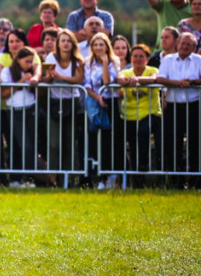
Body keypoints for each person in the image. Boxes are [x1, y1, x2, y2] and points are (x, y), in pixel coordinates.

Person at [154, 31, 201, 187]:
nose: (185, 46)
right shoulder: (168, 59)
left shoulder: (198, 60)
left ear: (194, 47)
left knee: (196, 143)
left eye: (189, 44)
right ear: (177, 44)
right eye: (183, 43)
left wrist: (192, 82)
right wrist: (178, 83)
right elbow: (160, 78)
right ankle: (176, 181)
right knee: (173, 143)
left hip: (194, 105)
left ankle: (195, 180)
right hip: (173, 107)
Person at [116, 44, 162, 188]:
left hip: (149, 114)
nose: (137, 59)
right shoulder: (127, 71)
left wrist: (138, 80)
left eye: (141, 56)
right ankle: (136, 180)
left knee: (143, 134)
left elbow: (154, 79)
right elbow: (120, 78)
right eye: (135, 56)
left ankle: (144, 168)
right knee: (131, 146)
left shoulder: (153, 69)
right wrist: (128, 81)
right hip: (129, 115)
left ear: (147, 59)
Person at [43, 28, 85, 183]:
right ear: (58, 44)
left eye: (69, 41)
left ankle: (69, 177)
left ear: (73, 44)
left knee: (69, 142)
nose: (66, 44)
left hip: (72, 103)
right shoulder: (51, 58)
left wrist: (59, 77)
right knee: (54, 143)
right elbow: (47, 80)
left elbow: (79, 80)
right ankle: (52, 177)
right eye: (63, 41)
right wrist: (49, 77)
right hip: (55, 102)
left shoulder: (78, 61)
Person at [83, 33, 121, 189]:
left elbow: (107, 81)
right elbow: (87, 85)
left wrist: (105, 62)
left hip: (110, 103)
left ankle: (111, 176)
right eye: (95, 45)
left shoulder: (114, 62)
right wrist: (97, 97)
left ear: (107, 46)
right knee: (94, 140)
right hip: (95, 102)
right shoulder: (88, 63)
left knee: (110, 140)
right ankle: (99, 178)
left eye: (101, 44)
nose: (98, 48)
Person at [0, 47, 39, 187]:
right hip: (14, 111)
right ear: (18, 60)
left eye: (31, 62)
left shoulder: (33, 72)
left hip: (31, 109)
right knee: (20, 145)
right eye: (27, 61)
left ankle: (28, 179)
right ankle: (16, 178)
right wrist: (21, 81)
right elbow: (3, 94)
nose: (29, 64)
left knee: (30, 146)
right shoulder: (7, 71)